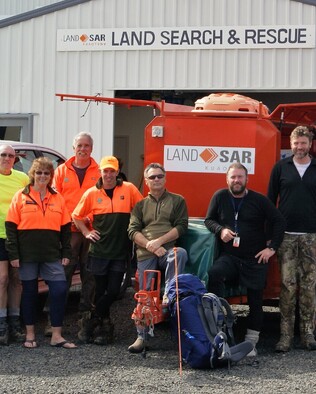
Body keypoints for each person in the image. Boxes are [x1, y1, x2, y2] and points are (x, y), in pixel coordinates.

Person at [205, 162, 285, 357]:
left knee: (256, 299)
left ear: (247, 179)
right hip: (230, 257)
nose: (236, 180)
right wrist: (220, 229)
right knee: (214, 273)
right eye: (233, 177)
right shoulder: (220, 196)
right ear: (227, 179)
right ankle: (218, 330)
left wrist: (271, 248)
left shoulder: (259, 200)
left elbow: (278, 221)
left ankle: (251, 342)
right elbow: (209, 220)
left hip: (255, 258)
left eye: (240, 177)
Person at [5, 157, 76, 348]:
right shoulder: (21, 196)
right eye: (39, 172)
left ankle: (56, 335)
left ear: (51, 176)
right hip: (27, 255)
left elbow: (65, 229)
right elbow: (11, 227)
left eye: (46, 173)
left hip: (51, 254)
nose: (42, 176)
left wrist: (66, 252)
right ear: (32, 174)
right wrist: (14, 255)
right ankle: (30, 335)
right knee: (29, 293)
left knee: (60, 290)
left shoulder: (57, 197)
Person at [72, 155, 143, 345]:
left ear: (117, 171)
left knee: (113, 291)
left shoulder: (129, 189)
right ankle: (104, 326)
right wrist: (86, 232)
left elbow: (143, 210)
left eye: (112, 171)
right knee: (100, 289)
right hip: (99, 251)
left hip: (120, 250)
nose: (109, 175)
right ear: (100, 172)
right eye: (106, 171)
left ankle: (91, 319)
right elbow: (76, 216)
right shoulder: (91, 193)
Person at [127, 162, 189, 353]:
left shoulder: (178, 200)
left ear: (165, 178)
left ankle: (168, 294)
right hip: (146, 252)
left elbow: (181, 226)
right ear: (146, 181)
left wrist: (160, 243)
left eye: (159, 176)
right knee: (144, 294)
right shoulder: (140, 205)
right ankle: (141, 337)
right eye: (152, 177)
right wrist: (149, 245)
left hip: (166, 250)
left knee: (180, 254)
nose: (156, 180)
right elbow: (132, 231)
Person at [43, 131, 100, 336]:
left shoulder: (99, 171)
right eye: (79, 145)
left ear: (91, 148)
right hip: (68, 231)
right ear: (73, 148)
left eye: (86, 146)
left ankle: (85, 320)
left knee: (89, 275)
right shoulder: (60, 171)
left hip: (91, 231)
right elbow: (53, 199)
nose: (83, 149)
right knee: (61, 275)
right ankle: (52, 320)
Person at [268, 125, 316, 352]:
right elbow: (270, 202)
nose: (299, 147)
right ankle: (285, 336)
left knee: (309, 287)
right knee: (287, 287)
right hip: (286, 236)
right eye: (296, 143)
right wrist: (271, 236)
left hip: (311, 237)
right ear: (291, 144)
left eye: (303, 143)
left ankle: (308, 334)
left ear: (310, 144)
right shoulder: (280, 168)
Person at [0, 144, 29, 345]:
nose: (7, 158)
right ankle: (2, 324)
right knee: (2, 279)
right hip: (0, 236)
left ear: (15, 159)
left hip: (18, 236)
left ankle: (14, 321)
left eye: (11, 155)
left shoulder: (23, 179)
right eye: (3, 154)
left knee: (17, 279)